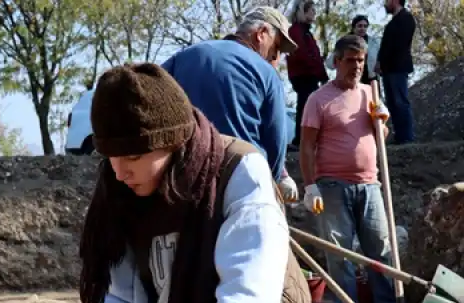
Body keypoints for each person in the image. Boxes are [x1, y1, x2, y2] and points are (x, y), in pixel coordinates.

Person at [79, 62, 311, 303]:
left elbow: (248, 291)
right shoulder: (120, 193)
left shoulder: (240, 173)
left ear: (170, 142)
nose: (119, 172)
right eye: (111, 157)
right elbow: (122, 301)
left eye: (133, 157)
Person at [300, 35, 394, 303]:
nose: (356, 66)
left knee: (379, 248)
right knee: (339, 251)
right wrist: (310, 185)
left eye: (361, 60)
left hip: (370, 184)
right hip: (332, 185)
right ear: (337, 61)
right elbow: (306, 145)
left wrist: (383, 123)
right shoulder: (319, 99)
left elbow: (380, 138)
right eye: (351, 60)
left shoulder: (371, 94)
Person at [160, 6, 300, 203]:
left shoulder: (186, 55)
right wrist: (275, 181)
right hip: (241, 181)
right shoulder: (267, 74)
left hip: (183, 178)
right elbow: (275, 144)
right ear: (261, 34)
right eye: (276, 48)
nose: (276, 58)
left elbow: (149, 93)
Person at [286, 0, 329, 149]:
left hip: (309, 75)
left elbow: (314, 56)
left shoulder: (306, 32)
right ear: (302, 12)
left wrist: (322, 74)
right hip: (303, 75)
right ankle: (300, 141)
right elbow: (303, 55)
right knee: (305, 107)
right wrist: (321, 74)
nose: (314, 13)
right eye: (311, 10)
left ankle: (305, 140)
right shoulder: (296, 31)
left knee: (307, 106)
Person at [376, 0, 416, 144]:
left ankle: (407, 137)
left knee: (400, 102)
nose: (385, 4)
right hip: (388, 70)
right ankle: (400, 136)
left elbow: (399, 45)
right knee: (392, 104)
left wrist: (383, 61)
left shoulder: (406, 19)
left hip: (398, 68)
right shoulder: (392, 23)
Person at [326, 15, 380, 85]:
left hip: (371, 80)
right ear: (354, 27)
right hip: (350, 79)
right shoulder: (345, 42)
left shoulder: (373, 43)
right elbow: (330, 64)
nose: (362, 28)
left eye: (365, 26)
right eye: (360, 26)